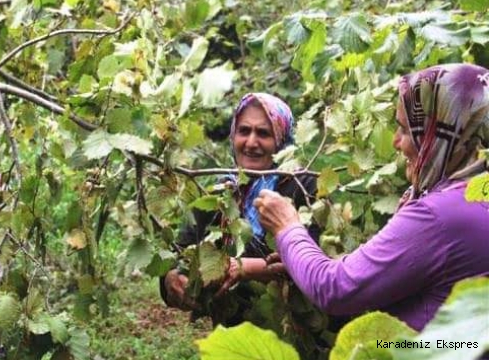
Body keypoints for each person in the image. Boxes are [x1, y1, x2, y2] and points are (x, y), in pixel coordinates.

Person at [255, 63, 489, 332]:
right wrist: (297, 261)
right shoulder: (475, 193)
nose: (396, 142)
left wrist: (287, 227)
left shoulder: (440, 216)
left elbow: (336, 288)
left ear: (437, 135)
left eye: (406, 129)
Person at [160, 93, 322, 331]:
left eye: (264, 133)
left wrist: (246, 268)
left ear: (282, 139)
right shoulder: (221, 190)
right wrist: (170, 278)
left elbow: (319, 267)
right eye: (244, 131)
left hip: (294, 331)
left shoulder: (303, 186)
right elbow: (181, 248)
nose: (251, 142)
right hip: (233, 333)